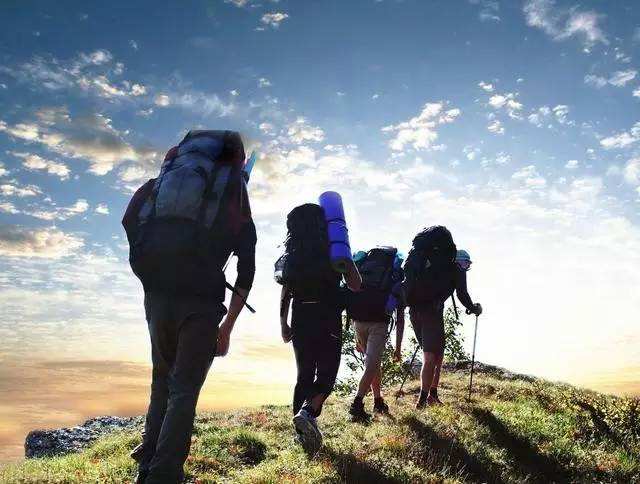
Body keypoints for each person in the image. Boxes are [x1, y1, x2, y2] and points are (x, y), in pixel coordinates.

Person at [124, 131, 256, 483]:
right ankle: (164, 474)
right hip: (200, 302)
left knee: (161, 381)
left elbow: (130, 218)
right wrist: (227, 326)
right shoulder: (233, 191)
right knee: (184, 389)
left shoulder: (164, 181)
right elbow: (247, 267)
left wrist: (150, 268)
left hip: (157, 295)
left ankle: (147, 464)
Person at [278, 203, 361, 454]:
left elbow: (286, 290)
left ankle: (301, 434)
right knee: (327, 373)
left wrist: (283, 322)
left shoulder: (292, 253)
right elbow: (356, 285)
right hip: (327, 315)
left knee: (303, 375)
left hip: (300, 314)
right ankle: (308, 412)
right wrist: (347, 259)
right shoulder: (334, 249)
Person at [404, 227, 482, 410]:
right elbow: (462, 294)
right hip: (432, 313)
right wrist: (474, 308)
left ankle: (432, 394)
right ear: (459, 260)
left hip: (414, 310)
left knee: (437, 354)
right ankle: (423, 400)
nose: (467, 268)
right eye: (467, 264)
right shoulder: (455, 269)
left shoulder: (427, 264)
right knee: (431, 356)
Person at [346, 248, 405, 422]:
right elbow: (400, 318)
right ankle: (356, 404)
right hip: (378, 323)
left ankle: (378, 400)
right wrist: (398, 348)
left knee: (373, 362)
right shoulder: (395, 277)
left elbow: (353, 294)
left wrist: (355, 336)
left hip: (358, 321)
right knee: (371, 364)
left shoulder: (365, 270)